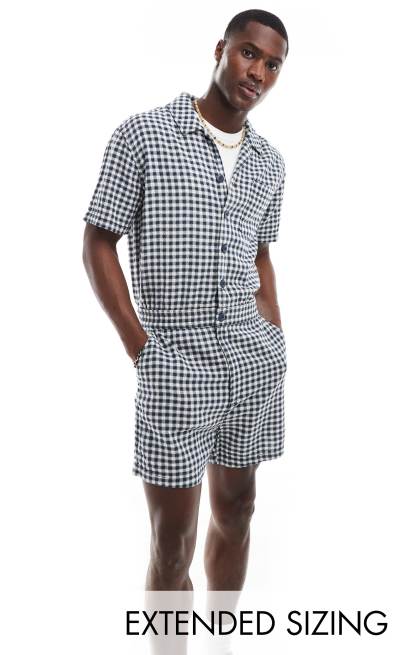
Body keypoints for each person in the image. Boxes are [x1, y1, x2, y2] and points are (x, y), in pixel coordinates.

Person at [82, 8, 289, 614]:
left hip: (252, 362)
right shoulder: (144, 136)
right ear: (221, 49)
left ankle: (225, 636)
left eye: (273, 64)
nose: (258, 72)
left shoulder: (270, 162)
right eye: (249, 53)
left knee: (240, 510)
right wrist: (141, 348)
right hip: (175, 364)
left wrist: (275, 331)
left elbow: (261, 252)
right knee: (171, 542)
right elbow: (97, 242)